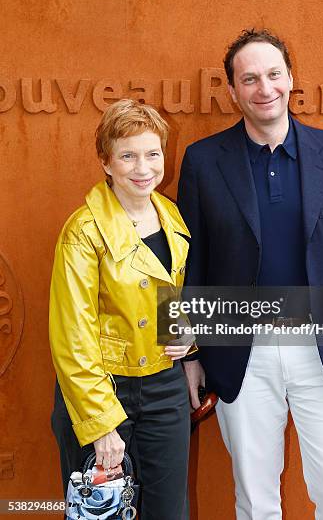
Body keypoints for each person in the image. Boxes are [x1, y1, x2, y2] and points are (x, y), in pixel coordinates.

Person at [178, 29, 323, 519]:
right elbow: (187, 263)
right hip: (241, 353)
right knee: (255, 499)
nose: (265, 88)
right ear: (232, 90)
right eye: (249, 78)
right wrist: (188, 354)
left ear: (291, 78)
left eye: (273, 74)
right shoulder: (203, 160)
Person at [49, 99, 195, 520]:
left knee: (169, 513)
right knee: (103, 514)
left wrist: (183, 331)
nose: (143, 167)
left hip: (164, 390)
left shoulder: (170, 214)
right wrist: (100, 424)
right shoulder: (83, 231)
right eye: (128, 155)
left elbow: (166, 293)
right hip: (104, 389)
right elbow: (72, 336)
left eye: (152, 154)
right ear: (106, 162)